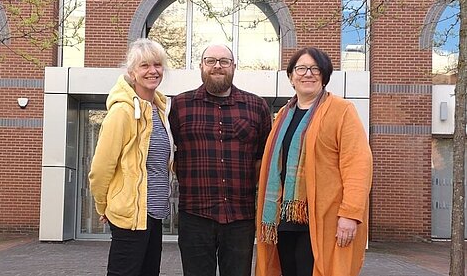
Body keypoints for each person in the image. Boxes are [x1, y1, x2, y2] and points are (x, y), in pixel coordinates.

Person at [255, 47, 373, 276]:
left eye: (315, 69)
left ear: (324, 76)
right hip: (284, 222)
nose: (307, 74)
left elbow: (358, 164)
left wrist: (350, 214)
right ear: (291, 77)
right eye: (301, 68)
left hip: (323, 221)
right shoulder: (281, 117)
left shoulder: (341, 110)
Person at [169, 44, 272, 276]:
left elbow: (262, 160)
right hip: (195, 214)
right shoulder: (180, 106)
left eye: (224, 61)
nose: (218, 66)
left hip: (240, 217)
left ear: (234, 66)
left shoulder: (256, 107)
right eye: (211, 61)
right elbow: (170, 154)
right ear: (201, 66)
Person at [88, 38, 174, 276]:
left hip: (154, 214)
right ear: (132, 72)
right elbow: (101, 167)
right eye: (144, 66)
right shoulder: (122, 111)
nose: (152, 71)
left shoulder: (159, 111)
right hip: (129, 215)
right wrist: (103, 205)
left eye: (157, 65)